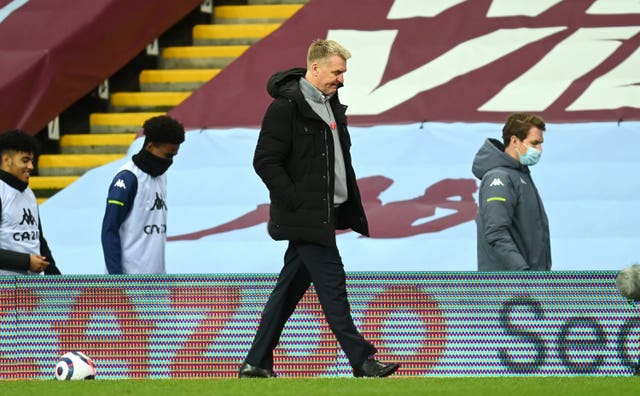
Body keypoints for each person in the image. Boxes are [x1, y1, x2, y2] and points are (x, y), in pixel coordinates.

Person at [239, 39, 399, 378]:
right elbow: (265, 161)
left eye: (343, 73)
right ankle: (362, 360)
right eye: (337, 71)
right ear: (315, 68)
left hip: (322, 214)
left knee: (287, 293)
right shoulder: (285, 108)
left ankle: (255, 362)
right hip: (306, 216)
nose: (342, 79)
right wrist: (298, 201)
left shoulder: (330, 105)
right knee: (333, 286)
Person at [101, 115, 185, 274]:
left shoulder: (161, 177)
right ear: (151, 147)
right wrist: (116, 282)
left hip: (158, 283)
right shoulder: (127, 178)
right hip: (129, 285)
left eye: (174, 156)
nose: (170, 161)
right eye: (168, 155)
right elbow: (109, 230)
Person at [472, 113, 551, 271]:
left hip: (526, 284)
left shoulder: (521, 176)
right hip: (508, 288)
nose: (540, 150)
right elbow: (496, 232)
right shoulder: (499, 177)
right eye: (534, 143)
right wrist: (522, 271)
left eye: (541, 144)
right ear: (514, 140)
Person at [0, 130, 61, 275]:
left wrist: (57, 278)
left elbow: (38, 238)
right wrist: (26, 262)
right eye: (25, 160)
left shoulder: (29, 194)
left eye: (32, 161)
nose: (31, 167)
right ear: (6, 160)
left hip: (30, 288)